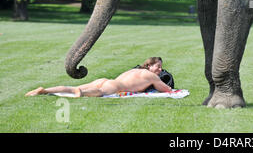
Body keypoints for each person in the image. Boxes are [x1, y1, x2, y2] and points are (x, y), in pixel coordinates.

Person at [25, 57, 172, 97]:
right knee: (99, 93)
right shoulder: (151, 76)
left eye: (160, 67)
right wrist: (171, 89)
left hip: (106, 80)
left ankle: (44, 90)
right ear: (149, 66)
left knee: (73, 87)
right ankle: (81, 93)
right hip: (115, 86)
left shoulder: (134, 70)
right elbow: (166, 89)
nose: (160, 70)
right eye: (157, 66)